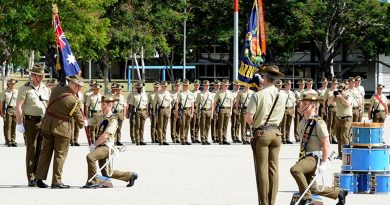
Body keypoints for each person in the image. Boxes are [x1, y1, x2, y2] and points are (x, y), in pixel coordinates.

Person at [290, 93, 348, 205]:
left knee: (295, 170)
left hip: (313, 157)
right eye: (301, 103)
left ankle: (307, 199)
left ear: (312, 106)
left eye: (304, 103)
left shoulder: (318, 122)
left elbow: (326, 143)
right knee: (313, 188)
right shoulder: (302, 123)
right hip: (304, 157)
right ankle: (339, 193)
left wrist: (324, 162)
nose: (301, 105)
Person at [245, 65, 287, 205]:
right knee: (273, 169)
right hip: (276, 133)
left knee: (262, 170)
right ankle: (272, 201)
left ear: (265, 78)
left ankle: (264, 203)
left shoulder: (258, 95)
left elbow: (249, 118)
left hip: (262, 134)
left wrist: (256, 125)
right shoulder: (283, 95)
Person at [35, 75, 85, 189]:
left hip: (47, 125)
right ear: (76, 86)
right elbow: (81, 123)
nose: (80, 89)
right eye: (80, 87)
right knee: (60, 155)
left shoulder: (55, 89)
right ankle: (56, 182)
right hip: (62, 129)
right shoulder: (74, 100)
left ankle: (39, 178)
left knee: (45, 153)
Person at [83, 95, 138, 188]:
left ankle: (93, 181)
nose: (101, 106)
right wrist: (86, 122)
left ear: (109, 105)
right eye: (101, 104)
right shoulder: (100, 115)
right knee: (107, 173)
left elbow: (105, 136)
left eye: (103, 104)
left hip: (106, 147)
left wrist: (93, 145)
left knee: (90, 157)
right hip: (100, 146)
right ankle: (130, 175)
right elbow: (92, 120)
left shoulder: (113, 120)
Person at [334, 83, 353, 158]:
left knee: (344, 136)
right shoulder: (337, 96)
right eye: (339, 90)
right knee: (338, 137)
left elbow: (347, 104)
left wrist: (341, 97)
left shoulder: (349, 95)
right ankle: (340, 154)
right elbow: (329, 102)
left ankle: (347, 154)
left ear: (345, 90)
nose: (340, 92)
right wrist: (333, 95)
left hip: (347, 118)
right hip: (338, 118)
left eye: (341, 90)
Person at [128, 81, 148, 145]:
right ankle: (137, 140)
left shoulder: (145, 95)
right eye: (138, 88)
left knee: (142, 126)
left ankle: (141, 139)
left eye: (140, 88)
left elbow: (146, 104)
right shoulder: (133, 95)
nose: (139, 89)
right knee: (137, 126)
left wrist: (147, 112)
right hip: (137, 111)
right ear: (136, 88)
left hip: (144, 111)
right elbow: (131, 105)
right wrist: (131, 113)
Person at [176, 79, 195, 145]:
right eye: (185, 85)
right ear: (183, 86)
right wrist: (176, 112)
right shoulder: (180, 94)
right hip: (183, 111)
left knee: (187, 125)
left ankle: (186, 138)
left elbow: (192, 104)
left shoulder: (191, 94)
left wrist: (192, 112)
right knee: (182, 125)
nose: (186, 86)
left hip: (189, 110)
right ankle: (182, 139)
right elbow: (177, 104)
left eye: (187, 85)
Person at [0, 78, 18, 147]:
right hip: (8, 110)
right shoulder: (4, 92)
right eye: (11, 83)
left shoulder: (17, 92)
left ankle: (13, 140)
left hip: (15, 110)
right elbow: (1, 103)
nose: (12, 85)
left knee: (14, 126)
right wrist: (1, 112)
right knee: (8, 126)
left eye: (13, 84)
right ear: (8, 84)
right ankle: (8, 141)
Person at [214, 79, 233, 145]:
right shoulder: (219, 92)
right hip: (221, 109)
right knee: (220, 126)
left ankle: (225, 139)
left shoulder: (230, 92)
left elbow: (231, 102)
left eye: (227, 85)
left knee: (225, 125)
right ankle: (220, 139)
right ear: (222, 85)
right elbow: (215, 102)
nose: (226, 86)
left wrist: (231, 111)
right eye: (225, 85)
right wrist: (214, 111)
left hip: (228, 109)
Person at [153, 81, 172, 145]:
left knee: (165, 126)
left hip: (167, 109)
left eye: (166, 86)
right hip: (161, 109)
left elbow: (170, 103)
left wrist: (170, 111)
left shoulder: (168, 93)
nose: (165, 87)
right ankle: (160, 139)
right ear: (161, 86)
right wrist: (154, 112)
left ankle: (164, 139)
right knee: (160, 126)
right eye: (164, 86)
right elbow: (154, 103)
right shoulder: (158, 93)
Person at [196, 80, 214, 145]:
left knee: (208, 125)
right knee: (202, 125)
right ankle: (202, 138)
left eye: (208, 85)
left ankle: (206, 138)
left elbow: (212, 104)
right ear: (203, 86)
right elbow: (197, 104)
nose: (207, 86)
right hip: (203, 110)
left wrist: (212, 113)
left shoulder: (211, 94)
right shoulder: (200, 94)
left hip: (209, 110)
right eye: (206, 85)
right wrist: (197, 113)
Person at [323, 78, 338, 144]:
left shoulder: (338, 90)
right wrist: (324, 109)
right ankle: (329, 137)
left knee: (335, 124)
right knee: (329, 123)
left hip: (337, 108)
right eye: (333, 83)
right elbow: (324, 101)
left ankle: (334, 136)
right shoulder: (328, 91)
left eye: (335, 84)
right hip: (330, 108)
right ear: (331, 84)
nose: (334, 85)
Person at [280, 80, 295, 144]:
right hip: (284, 109)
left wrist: (293, 112)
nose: (289, 86)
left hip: (290, 108)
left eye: (290, 85)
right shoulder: (281, 92)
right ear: (285, 85)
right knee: (283, 124)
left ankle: (288, 138)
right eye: (288, 85)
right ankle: (283, 138)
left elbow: (294, 103)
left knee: (289, 124)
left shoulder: (292, 93)